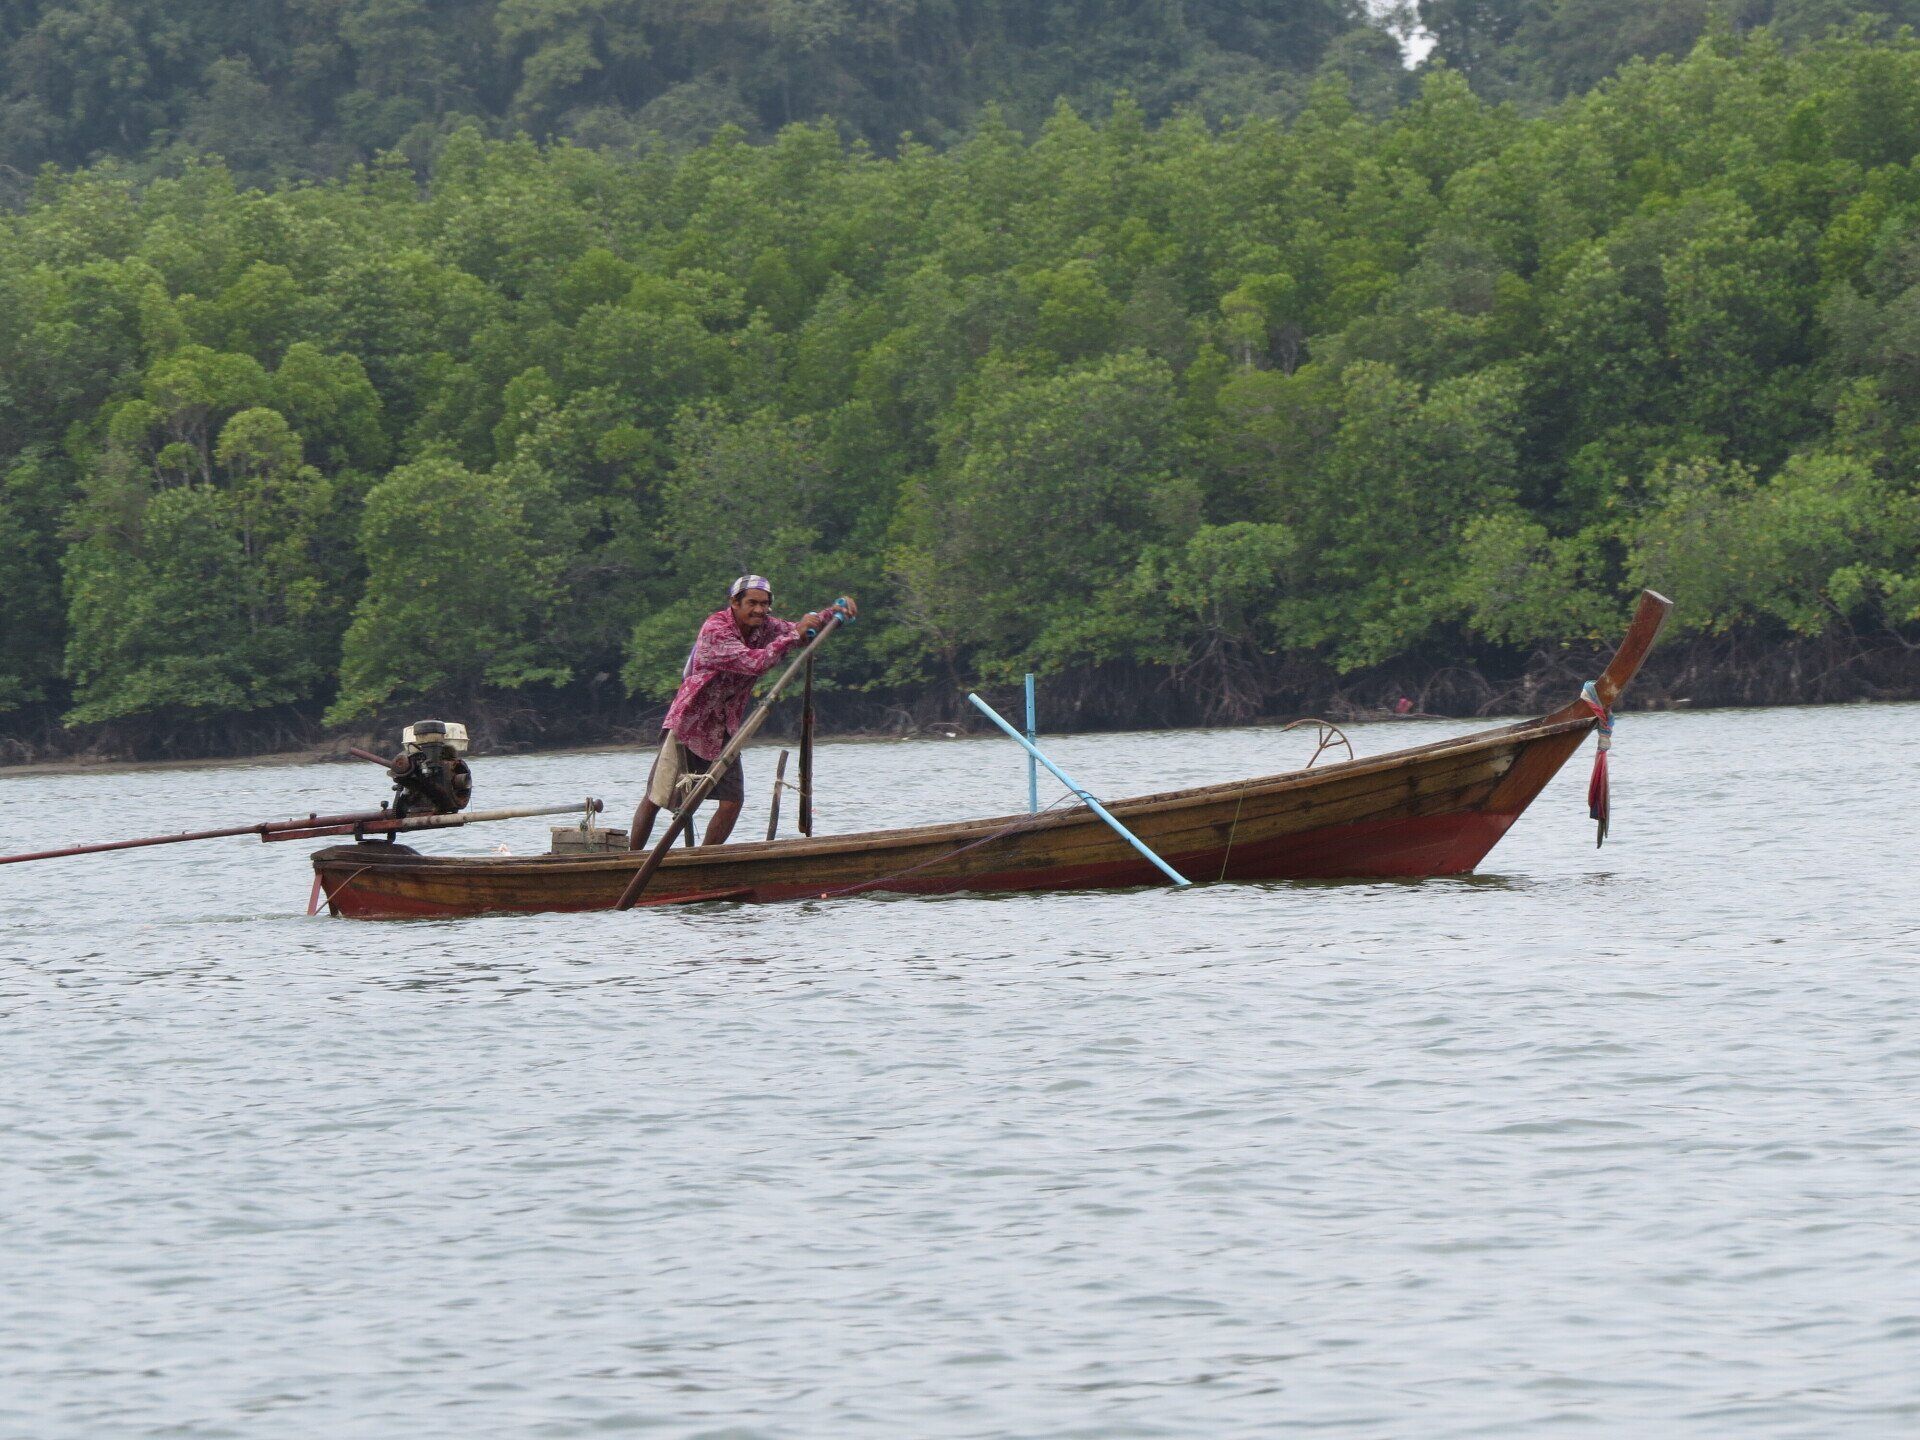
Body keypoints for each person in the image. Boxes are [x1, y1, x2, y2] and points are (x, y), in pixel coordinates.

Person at [628, 576, 853, 848]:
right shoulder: (715, 630)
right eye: (752, 603)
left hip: (724, 728)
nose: (760, 610)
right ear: (734, 603)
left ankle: (705, 861)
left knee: (732, 800)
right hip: (690, 725)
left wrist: (833, 613)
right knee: (657, 797)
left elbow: (796, 630)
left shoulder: (765, 627)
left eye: (765, 604)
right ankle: (631, 859)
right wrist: (795, 635)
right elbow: (753, 662)